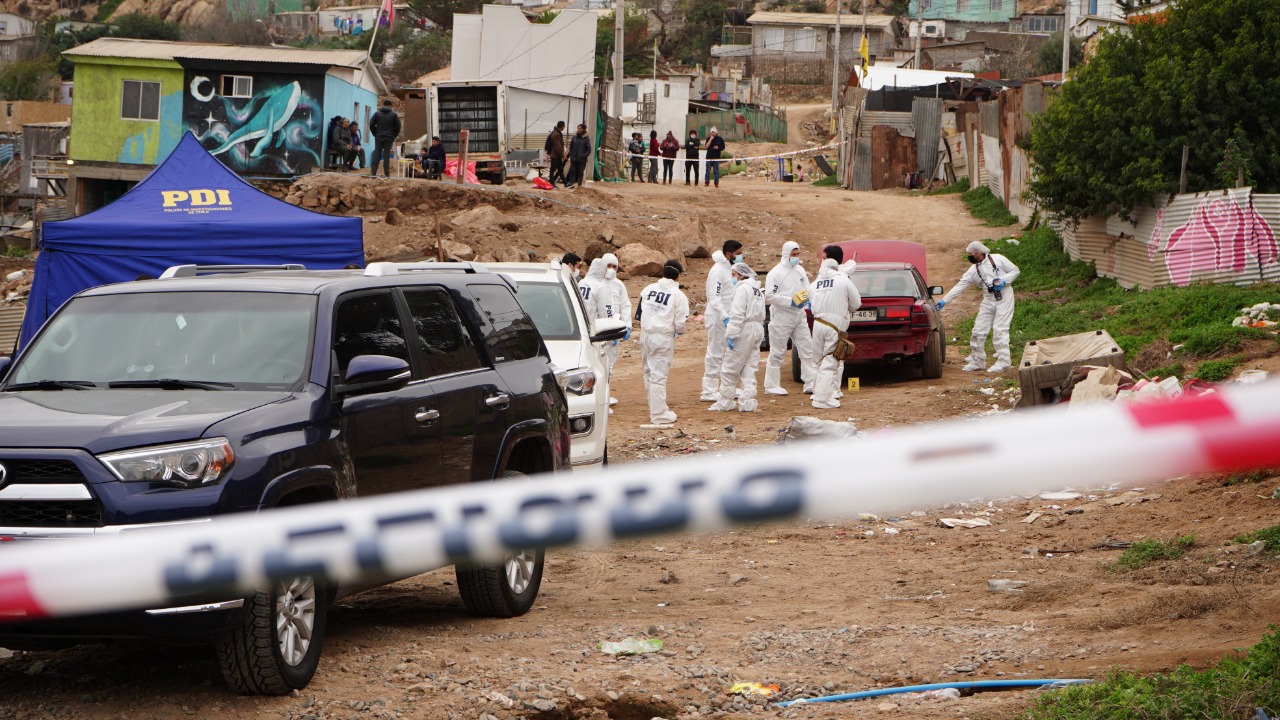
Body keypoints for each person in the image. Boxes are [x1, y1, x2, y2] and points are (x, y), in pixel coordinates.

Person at [936, 240, 1020, 372]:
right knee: (978, 331)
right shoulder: (973, 270)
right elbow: (960, 286)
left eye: (971, 254)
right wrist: (944, 300)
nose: (969, 257)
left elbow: (1015, 270)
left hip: (1004, 296)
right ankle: (977, 361)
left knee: (1000, 329)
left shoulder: (998, 259)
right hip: (988, 299)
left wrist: (1004, 281)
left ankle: (1004, 361)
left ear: (979, 253)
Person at [808, 245, 862, 410]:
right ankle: (822, 399)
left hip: (818, 324)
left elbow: (810, 304)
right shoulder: (843, 279)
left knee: (818, 362)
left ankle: (822, 394)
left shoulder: (814, 283)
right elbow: (856, 304)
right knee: (831, 363)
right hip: (835, 325)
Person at [638, 260, 689, 424]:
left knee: (648, 372)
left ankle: (655, 406)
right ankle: (658, 413)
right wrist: (679, 331)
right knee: (658, 376)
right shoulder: (678, 295)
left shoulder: (648, 289)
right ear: (678, 276)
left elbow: (640, 311)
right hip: (662, 337)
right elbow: (680, 323)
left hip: (645, 335)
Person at [709, 262, 765, 412]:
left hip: (744, 329)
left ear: (741, 274)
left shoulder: (743, 289)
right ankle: (747, 402)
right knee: (749, 366)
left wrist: (732, 335)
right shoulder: (757, 290)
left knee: (729, 367)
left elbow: (738, 314)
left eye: (734, 275)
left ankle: (725, 402)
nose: (732, 278)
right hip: (757, 328)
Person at [763, 240, 817, 395]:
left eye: (798, 254)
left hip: (799, 315)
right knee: (778, 351)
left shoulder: (800, 270)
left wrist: (806, 300)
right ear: (786, 254)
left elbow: (807, 288)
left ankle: (810, 382)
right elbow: (769, 296)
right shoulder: (775, 273)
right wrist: (790, 302)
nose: (796, 257)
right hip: (782, 316)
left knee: (807, 348)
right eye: (793, 255)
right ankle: (771, 385)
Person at [701, 239, 744, 401]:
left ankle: (725, 387)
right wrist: (725, 316)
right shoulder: (718, 270)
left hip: (727, 316)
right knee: (715, 352)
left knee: (727, 353)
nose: (741, 257)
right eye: (738, 254)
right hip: (718, 317)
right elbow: (714, 297)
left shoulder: (729, 269)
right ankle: (709, 390)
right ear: (728, 254)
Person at [599, 252, 632, 396]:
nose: (611, 269)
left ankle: (605, 395)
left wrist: (627, 325)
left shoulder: (619, 285)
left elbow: (625, 305)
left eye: (615, 266)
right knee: (597, 365)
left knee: (610, 364)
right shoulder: (595, 283)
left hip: (614, 330)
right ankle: (599, 396)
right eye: (609, 266)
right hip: (598, 331)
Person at [368, 99, 401, 178]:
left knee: (377, 154)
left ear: (383, 104)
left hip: (379, 136)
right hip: (389, 137)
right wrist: (394, 135)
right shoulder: (394, 115)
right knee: (386, 155)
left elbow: (371, 124)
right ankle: (386, 173)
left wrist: (375, 133)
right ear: (390, 105)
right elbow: (398, 126)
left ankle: (373, 173)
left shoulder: (377, 114)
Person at [567, 123, 591, 189]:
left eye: (580, 128)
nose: (578, 129)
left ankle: (579, 185)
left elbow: (589, 149)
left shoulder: (586, 138)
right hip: (574, 159)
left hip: (582, 160)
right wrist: (571, 154)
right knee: (572, 172)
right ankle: (571, 184)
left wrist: (583, 156)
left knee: (580, 172)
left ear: (583, 129)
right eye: (578, 128)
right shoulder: (574, 137)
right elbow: (571, 147)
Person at [546, 121, 567, 187]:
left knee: (560, 169)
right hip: (555, 155)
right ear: (562, 126)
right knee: (553, 169)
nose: (564, 127)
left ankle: (566, 183)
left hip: (557, 155)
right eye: (564, 126)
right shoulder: (556, 134)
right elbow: (558, 146)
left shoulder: (557, 133)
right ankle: (551, 183)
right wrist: (563, 155)